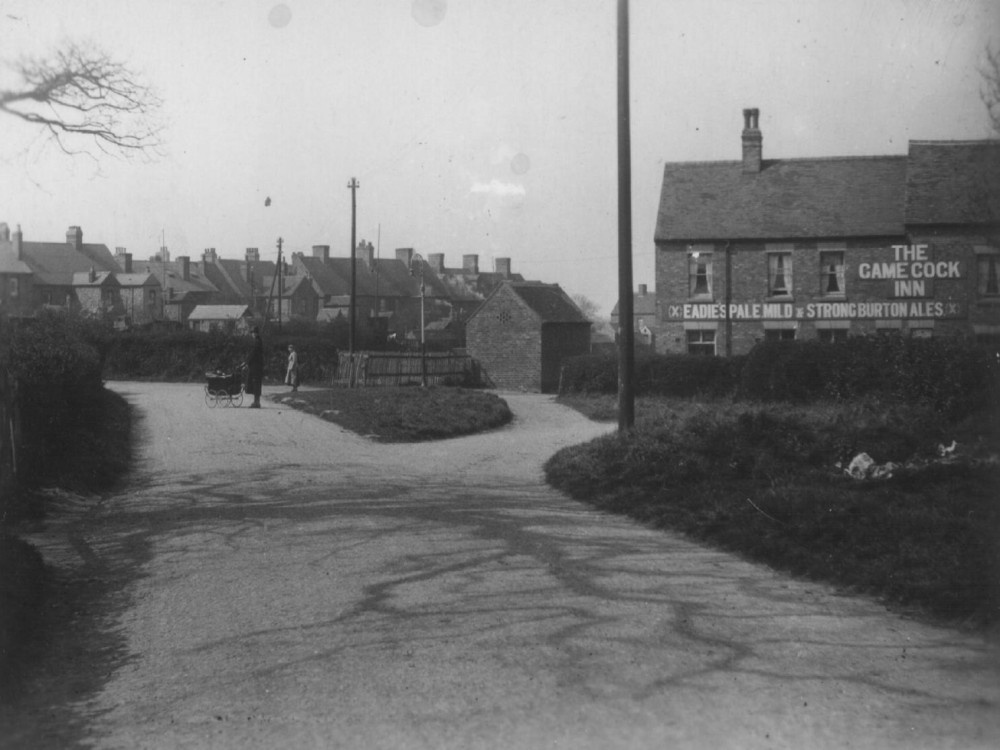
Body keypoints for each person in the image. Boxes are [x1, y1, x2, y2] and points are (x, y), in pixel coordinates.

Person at [246, 327, 264, 408]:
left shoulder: (257, 342)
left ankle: (257, 403)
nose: (252, 334)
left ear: (256, 333)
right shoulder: (258, 341)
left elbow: (253, 354)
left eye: (253, 332)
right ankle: (256, 402)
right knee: (256, 383)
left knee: (256, 383)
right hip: (257, 365)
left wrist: (247, 361)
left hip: (256, 366)